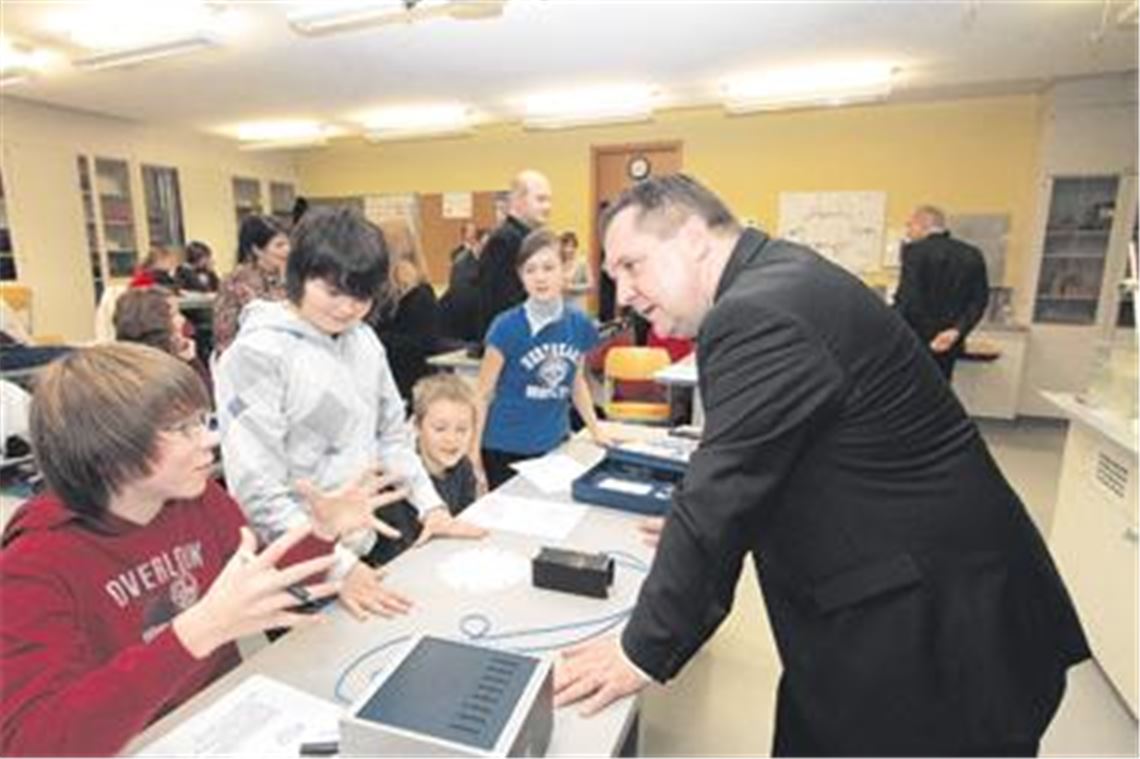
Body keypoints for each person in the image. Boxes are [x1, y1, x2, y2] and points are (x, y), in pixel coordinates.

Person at [553, 175, 1088, 757]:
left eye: (633, 266)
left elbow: (720, 490)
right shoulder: (778, 277)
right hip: (919, 610)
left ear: (693, 237)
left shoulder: (756, 313)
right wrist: (707, 524)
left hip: (935, 637)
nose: (623, 293)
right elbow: (764, 460)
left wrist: (640, 650)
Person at [0, 343, 394, 756]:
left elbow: (262, 589)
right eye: (182, 428)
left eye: (201, 422)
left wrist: (321, 534)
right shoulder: (34, 565)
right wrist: (198, 630)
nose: (209, 440)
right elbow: (32, 745)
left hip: (222, 721)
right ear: (108, 451)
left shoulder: (200, 498)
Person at [215, 207, 484, 621]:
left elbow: (392, 438)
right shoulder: (257, 355)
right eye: (332, 292)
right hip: (297, 567)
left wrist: (431, 507)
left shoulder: (363, 341)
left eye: (361, 296)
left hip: (359, 549)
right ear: (298, 275)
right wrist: (338, 566)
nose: (347, 309)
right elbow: (258, 493)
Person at [473, 228, 609, 490]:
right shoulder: (505, 326)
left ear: (565, 269)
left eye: (548, 267)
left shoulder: (579, 324)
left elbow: (576, 382)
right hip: (504, 448)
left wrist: (595, 429)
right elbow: (482, 394)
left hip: (554, 445)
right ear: (521, 277)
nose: (540, 277)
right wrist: (473, 453)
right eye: (530, 269)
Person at [893, 205, 990, 380]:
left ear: (923, 224)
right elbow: (979, 300)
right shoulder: (972, 254)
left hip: (918, 339)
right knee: (942, 387)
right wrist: (957, 330)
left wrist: (894, 328)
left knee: (915, 389)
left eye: (910, 225)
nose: (908, 231)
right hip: (950, 340)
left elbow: (908, 299)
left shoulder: (914, 252)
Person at [368, 218, 442, 403]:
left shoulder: (409, 292)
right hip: (402, 380)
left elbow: (423, 343)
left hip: (401, 382)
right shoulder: (420, 289)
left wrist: (372, 337)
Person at [477, 170, 553, 341]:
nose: (547, 207)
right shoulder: (504, 241)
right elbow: (502, 302)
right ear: (518, 201)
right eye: (540, 199)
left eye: (549, 200)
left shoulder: (528, 239)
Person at [212, 215, 290, 357]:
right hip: (250, 360)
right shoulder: (236, 282)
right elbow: (224, 335)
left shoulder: (291, 278)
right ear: (257, 250)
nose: (288, 250)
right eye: (279, 245)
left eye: (288, 244)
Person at [412, 373, 478, 516]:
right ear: (417, 426)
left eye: (462, 429)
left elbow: (466, 518)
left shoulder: (464, 467)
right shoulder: (404, 478)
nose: (451, 439)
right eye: (440, 429)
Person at [441, 226, 488, 343]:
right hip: (465, 321)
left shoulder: (487, 262)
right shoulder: (462, 264)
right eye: (485, 245)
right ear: (476, 244)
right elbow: (464, 294)